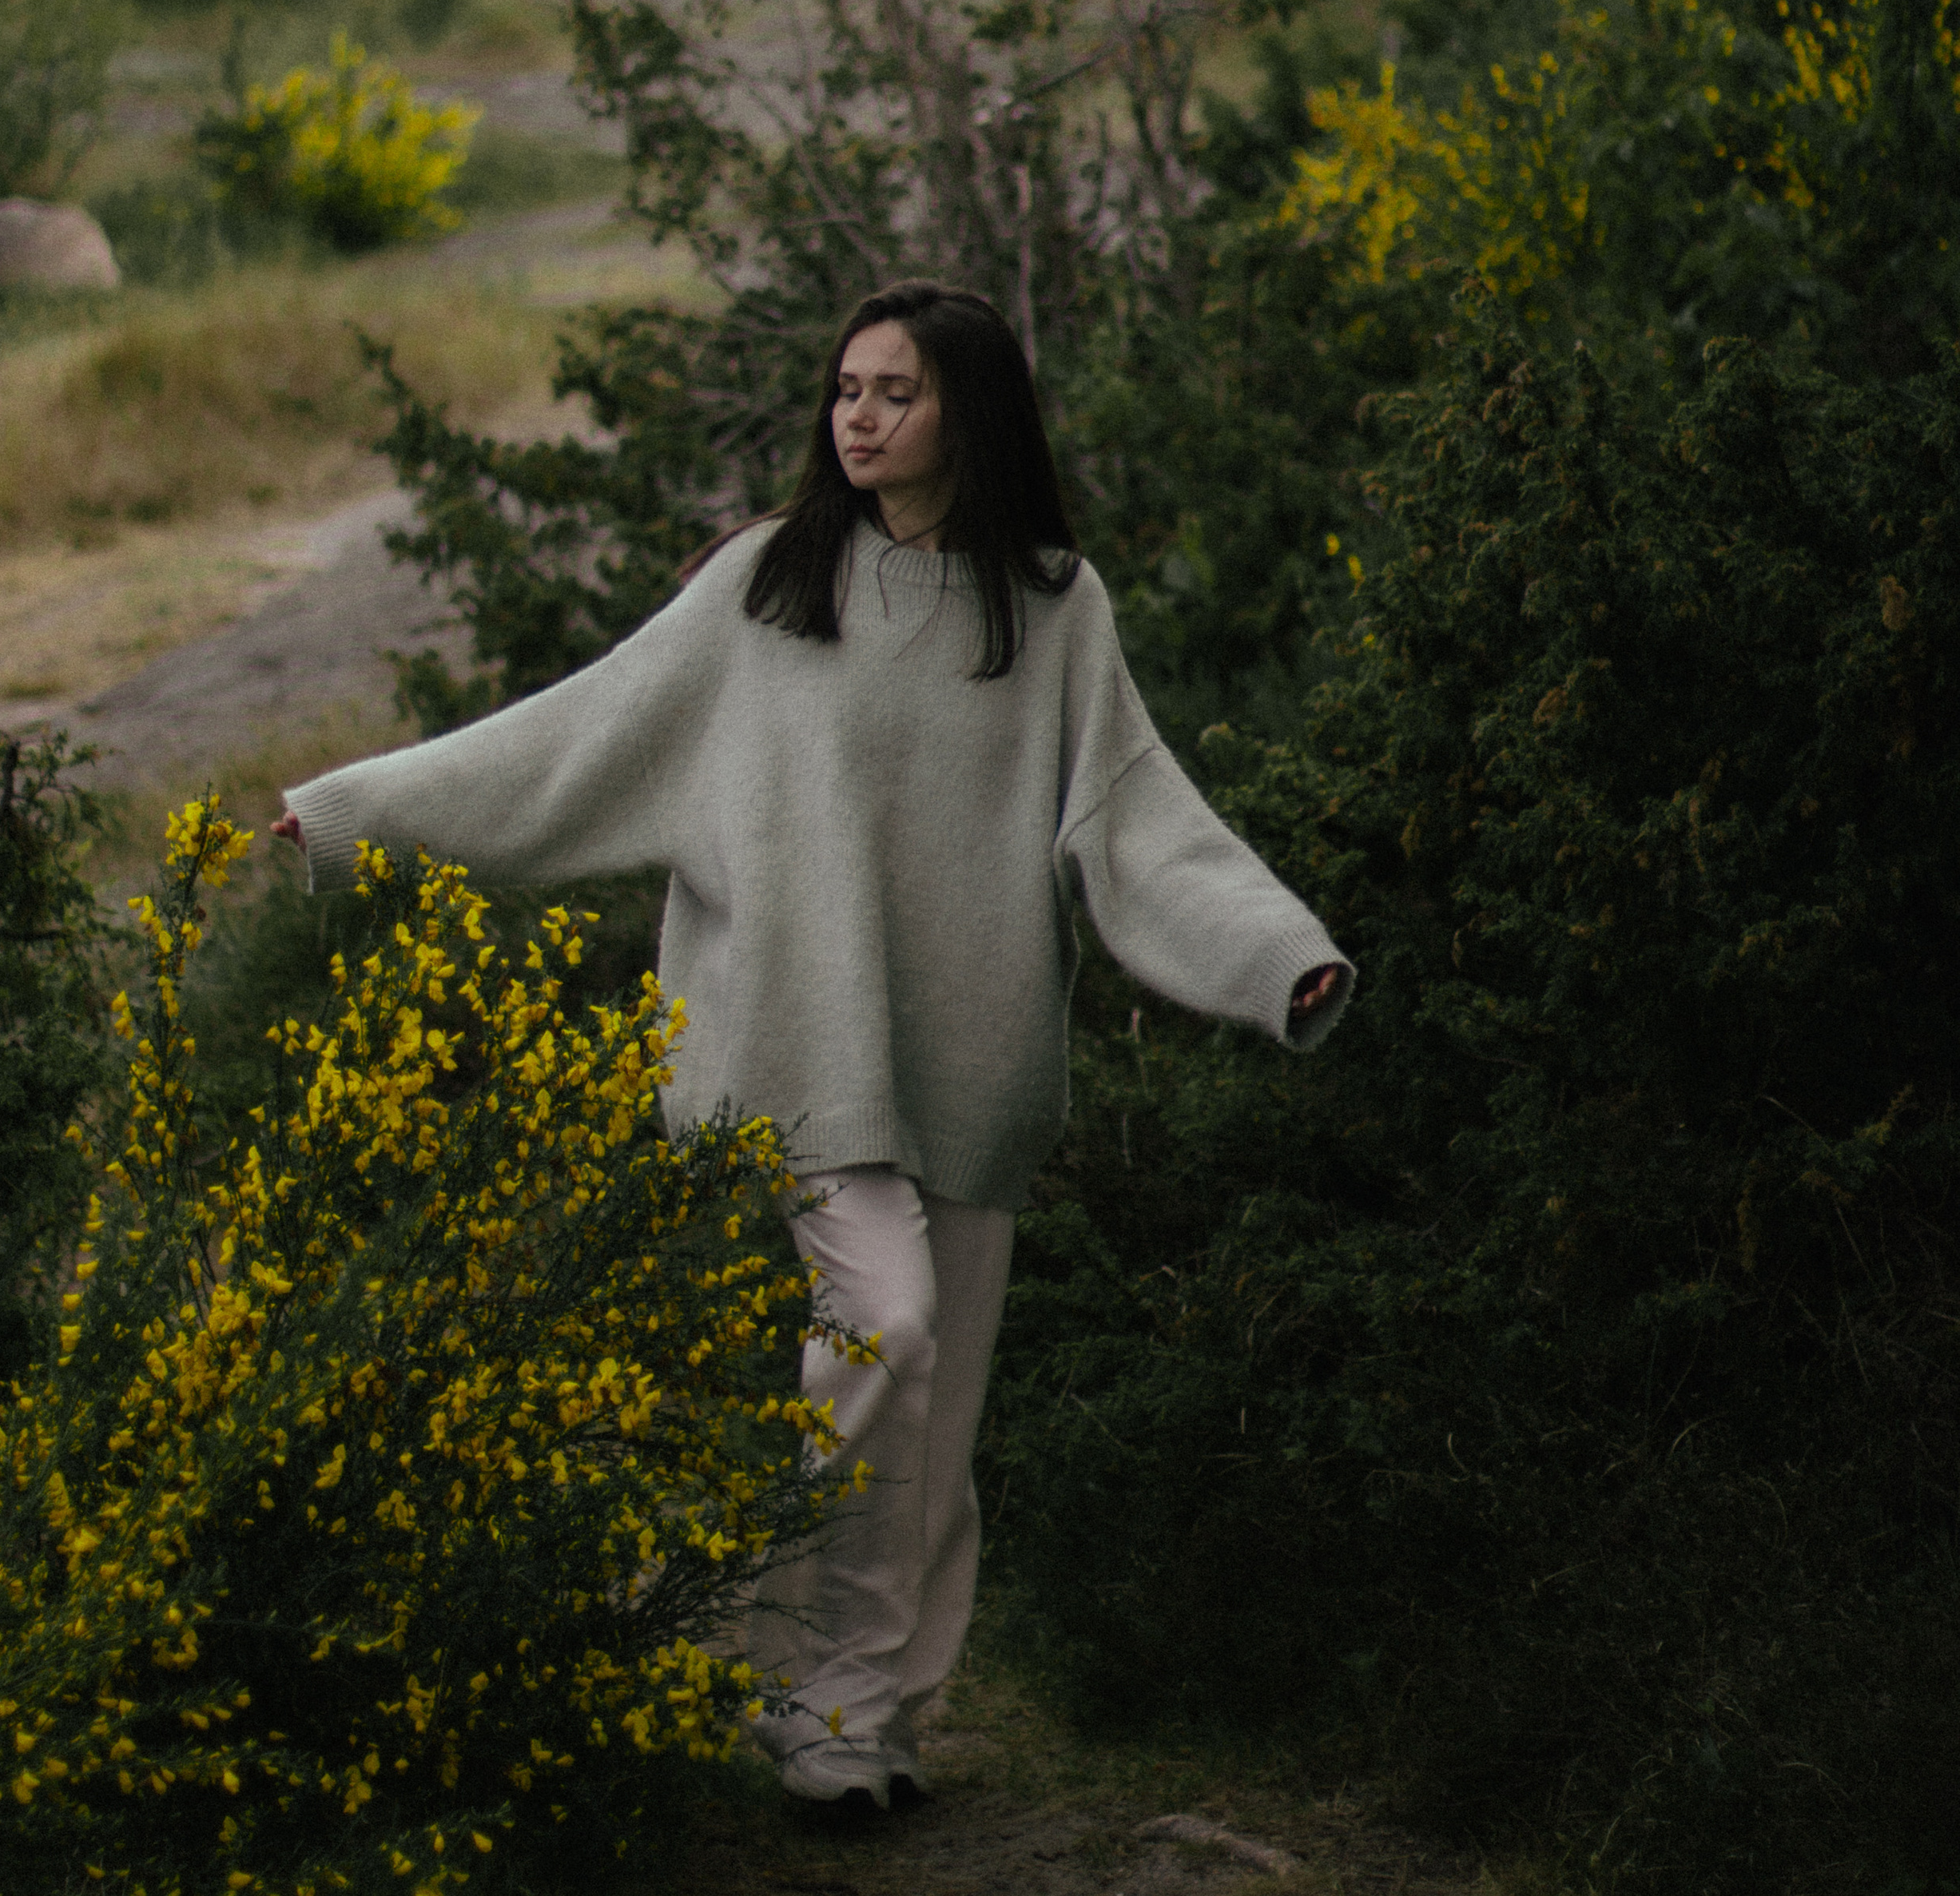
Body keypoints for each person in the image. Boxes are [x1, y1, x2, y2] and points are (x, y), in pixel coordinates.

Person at [273, 279, 1351, 1815]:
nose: (857, 415)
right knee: (888, 1332)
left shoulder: (1052, 605)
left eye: (894, 391)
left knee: (938, 1412)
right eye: (845, 388)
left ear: (965, 414)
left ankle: (860, 1722)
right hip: (802, 1046)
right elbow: (570, 743)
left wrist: (1278, 959)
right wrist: (350, 809)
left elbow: (1140, 827)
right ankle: (761, 1647)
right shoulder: (768, 587)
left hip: (970, 1069)